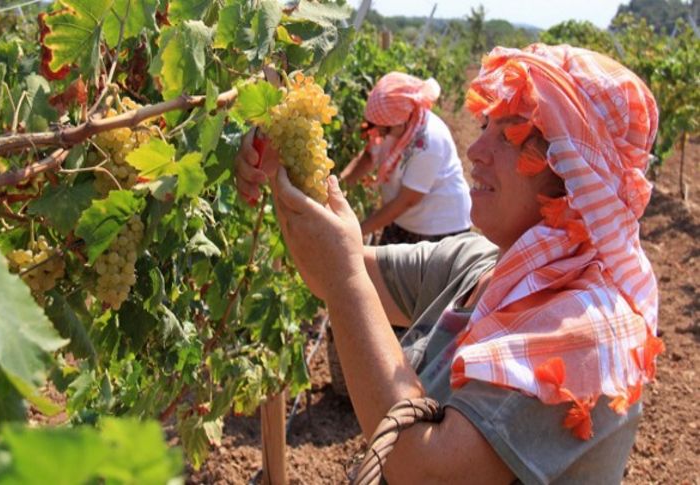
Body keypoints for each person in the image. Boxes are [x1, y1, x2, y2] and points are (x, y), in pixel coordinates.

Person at [235, 43, 664, 483]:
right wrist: (285, 172)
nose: (475, 149)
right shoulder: (478, 266)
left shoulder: (584, 333)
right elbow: (327, 270)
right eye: (484, 125)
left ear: (575, 172)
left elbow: (424, 471)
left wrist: (345, 278)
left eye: (509, 135)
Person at [339, 72, 472, 244]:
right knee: (386, 267)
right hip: (403, 218)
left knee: (411, 269)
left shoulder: (429, 142)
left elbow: (406, 201)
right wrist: (338, 187)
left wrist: (356, 232)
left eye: (385, 130)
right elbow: (368, 157)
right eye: (376, 126)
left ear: (403, 120)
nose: (379, 133)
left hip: (439, 228)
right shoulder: (388, 124)